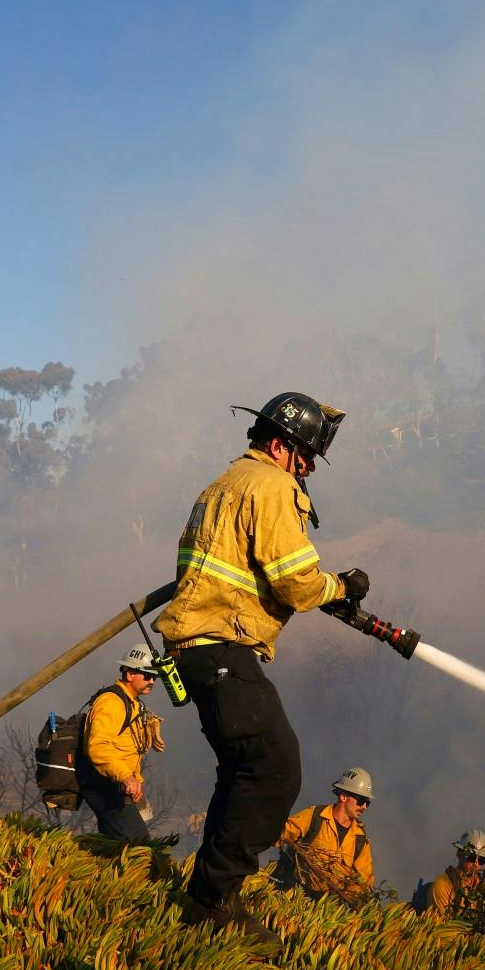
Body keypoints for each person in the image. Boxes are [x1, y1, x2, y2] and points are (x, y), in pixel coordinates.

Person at [155, 391, 370, 939]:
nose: (309, 470)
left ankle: (207, 896)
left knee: (243, 769)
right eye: (306, 457)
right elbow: (296, 580)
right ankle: (210, 904)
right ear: (281, 445)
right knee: (276, 766)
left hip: (198, 650)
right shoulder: (272, 486)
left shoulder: (221, 487)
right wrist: (341, 586)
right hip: (221, 645)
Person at [78, 646, 167, 843]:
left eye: (155, 677)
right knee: (138, 845)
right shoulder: (112, 703)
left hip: (117, 785)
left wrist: (135, 782)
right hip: (105, 785)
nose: (151, 681)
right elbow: (98, 747)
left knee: (116, 846)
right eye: (146, 675)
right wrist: (127, 778)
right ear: (129, 674)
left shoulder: (132, 703)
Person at [272, 767, 376, 906]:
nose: (363, 807)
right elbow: (280, 833)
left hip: (328, 907)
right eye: (360, 800)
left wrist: (350, 901)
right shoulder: (315, 817)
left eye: (367, 802)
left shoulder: (360, 839)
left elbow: (363, 882)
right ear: (343, 796)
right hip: (294, 898)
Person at [413, 829, 485, 918]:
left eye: (481, 860)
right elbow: (443, 928)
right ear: (459, 854)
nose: (476, 864)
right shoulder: (442, 885)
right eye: (472, 858)